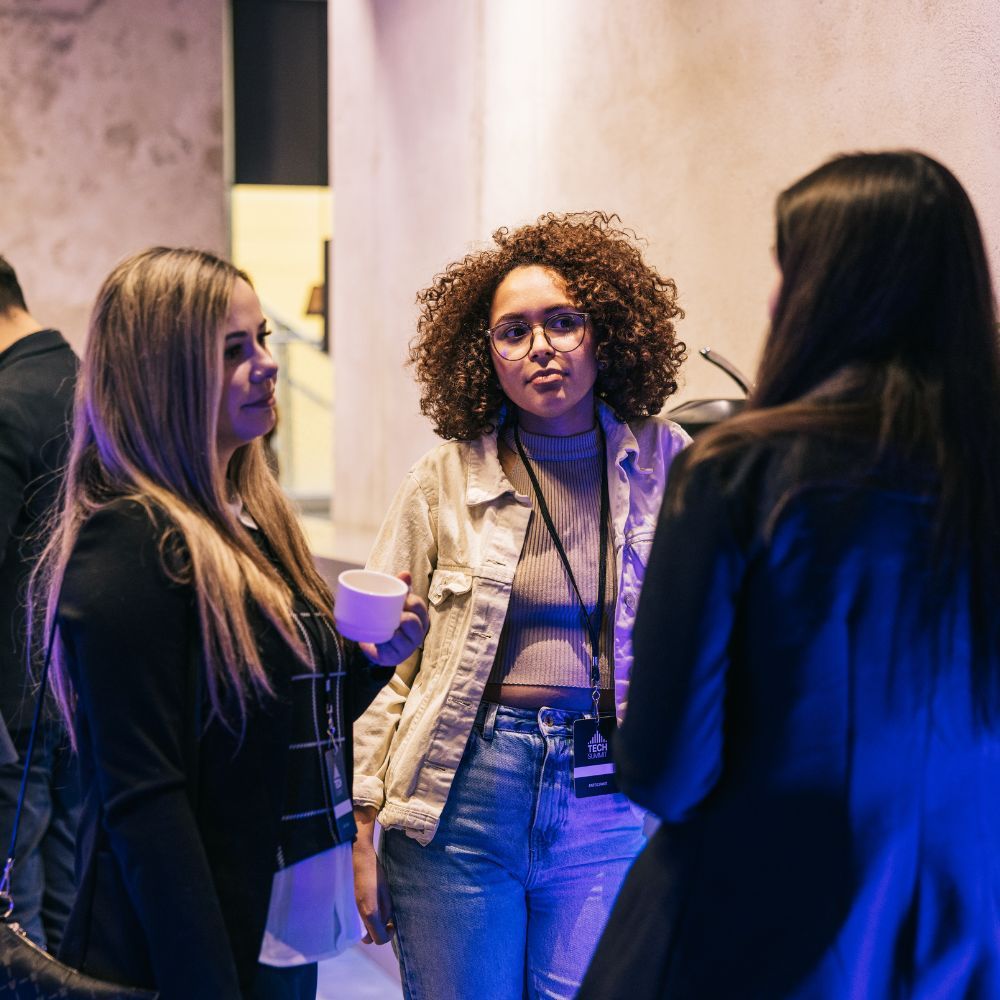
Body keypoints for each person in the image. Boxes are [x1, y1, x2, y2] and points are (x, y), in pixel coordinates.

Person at [579, 151, 1000, 999]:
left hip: (758, 932)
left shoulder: (744, 471)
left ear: (827, 290)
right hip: (959, 937)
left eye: (785, 269)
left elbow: (667, 771)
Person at [31, 247, 429, 1000]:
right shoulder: (130, 542)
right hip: (200, 937)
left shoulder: (255, 520)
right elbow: (147, 802)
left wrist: (374, 660)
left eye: (264, 340)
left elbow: (275, 730)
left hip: (287, 908)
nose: (267, 365)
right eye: (232, 350)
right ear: (162, 375)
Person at [352, 211, 691, 999]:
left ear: (606, 333)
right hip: (461, 795)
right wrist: (363, 818)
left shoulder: (666, 460)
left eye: (564, 323)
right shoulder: (443, 480)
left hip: (607, 801)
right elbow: (392, 675)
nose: (540, 347)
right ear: (486, 354)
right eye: (514, 331)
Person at [0, 253, 80, 951]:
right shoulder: (88, 385)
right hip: (81, 694)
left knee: (17, 925)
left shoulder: (4, 403)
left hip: (13, 710)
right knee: (69, 909)